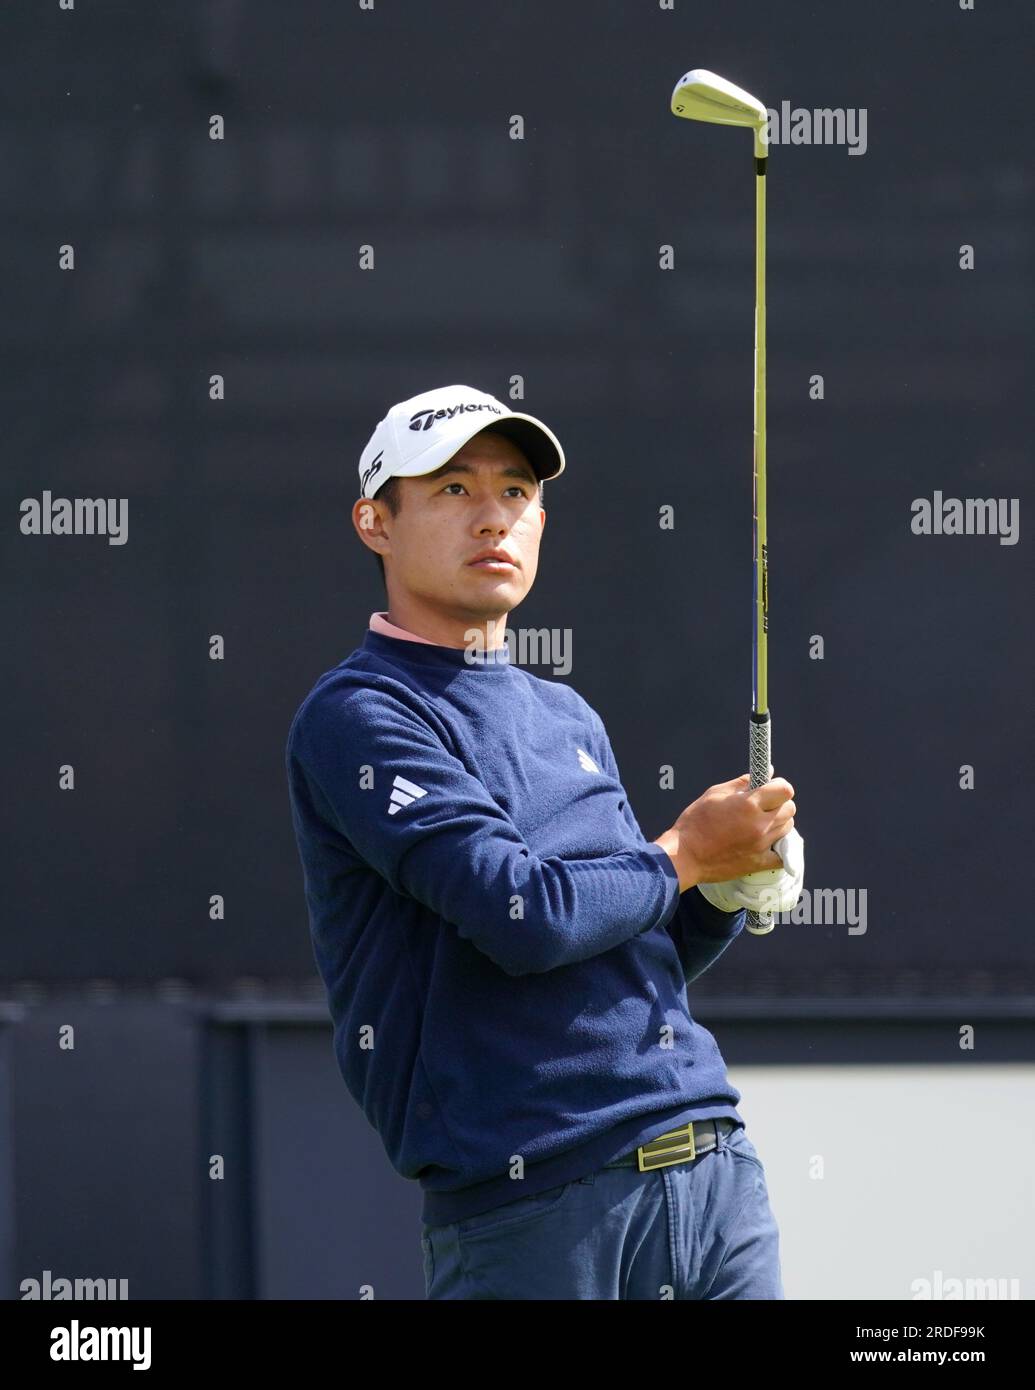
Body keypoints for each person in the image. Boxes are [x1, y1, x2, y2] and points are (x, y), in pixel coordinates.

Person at [285, 383, 804, 1300]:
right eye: (452, 489)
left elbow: (631, 951)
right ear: (375, 523)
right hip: (533, 1208)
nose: (493, 516)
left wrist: (723, 888)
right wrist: (685, 854)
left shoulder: (564, 711)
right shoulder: (360, 714)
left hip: (713, 1171)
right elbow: (522, 915)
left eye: (516, 491)